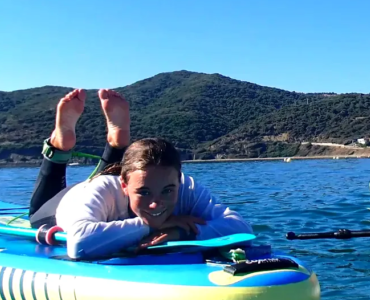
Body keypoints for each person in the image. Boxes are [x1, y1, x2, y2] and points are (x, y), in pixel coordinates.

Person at [28, 88, 253, 259]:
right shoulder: (103, 190)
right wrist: (150, 224)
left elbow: (241, 228)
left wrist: (180, 232)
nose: (156, 204)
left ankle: (118, 143)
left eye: (168, 191)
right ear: (124, 186)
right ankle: (59, 147)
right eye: (144, 193)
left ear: (178, 179)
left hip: (126, 175)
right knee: (36, 216)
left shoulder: (187, 187)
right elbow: (79, 245)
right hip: (64, 203)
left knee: (136, 170)